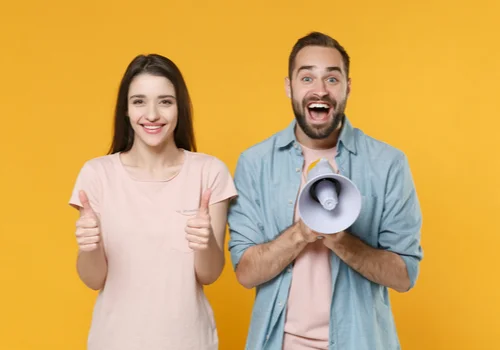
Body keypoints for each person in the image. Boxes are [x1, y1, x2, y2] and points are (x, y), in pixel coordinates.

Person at [227, 32, 423, 350]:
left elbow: (404, 276)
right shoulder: (255, 163)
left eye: (332, 78)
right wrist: (303, 232)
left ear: (348, 87)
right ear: (289, 86)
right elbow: (246, 272)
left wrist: (339, 238)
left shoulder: (388, 163)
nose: (320, 90)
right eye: (307, 77)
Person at [68, 53, 237, 350]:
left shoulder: (209, 172)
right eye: (139, 101)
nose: (152, 114)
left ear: (179, 108)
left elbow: (209, 274)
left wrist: (206, 240)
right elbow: (94, 279)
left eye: (165, 101)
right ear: (126, 110)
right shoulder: (96, 174)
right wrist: (89, 247)